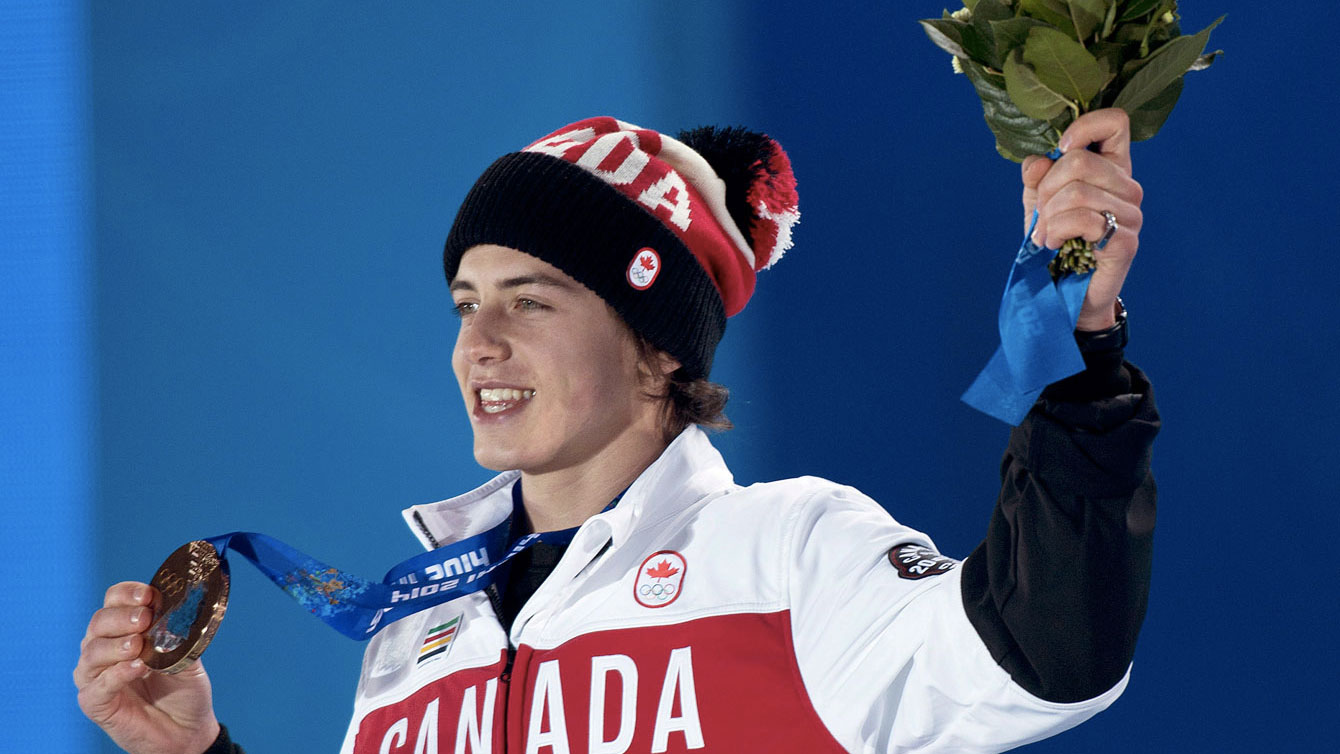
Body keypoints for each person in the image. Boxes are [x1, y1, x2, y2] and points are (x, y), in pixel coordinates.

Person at [75, 109, 1157, 753]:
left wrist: (1075, 332)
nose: (478, 344)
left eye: (531, 300)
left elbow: (1041, 650)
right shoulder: (417, 632)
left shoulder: (786, 555)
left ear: (658, 350)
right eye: (465, 302)